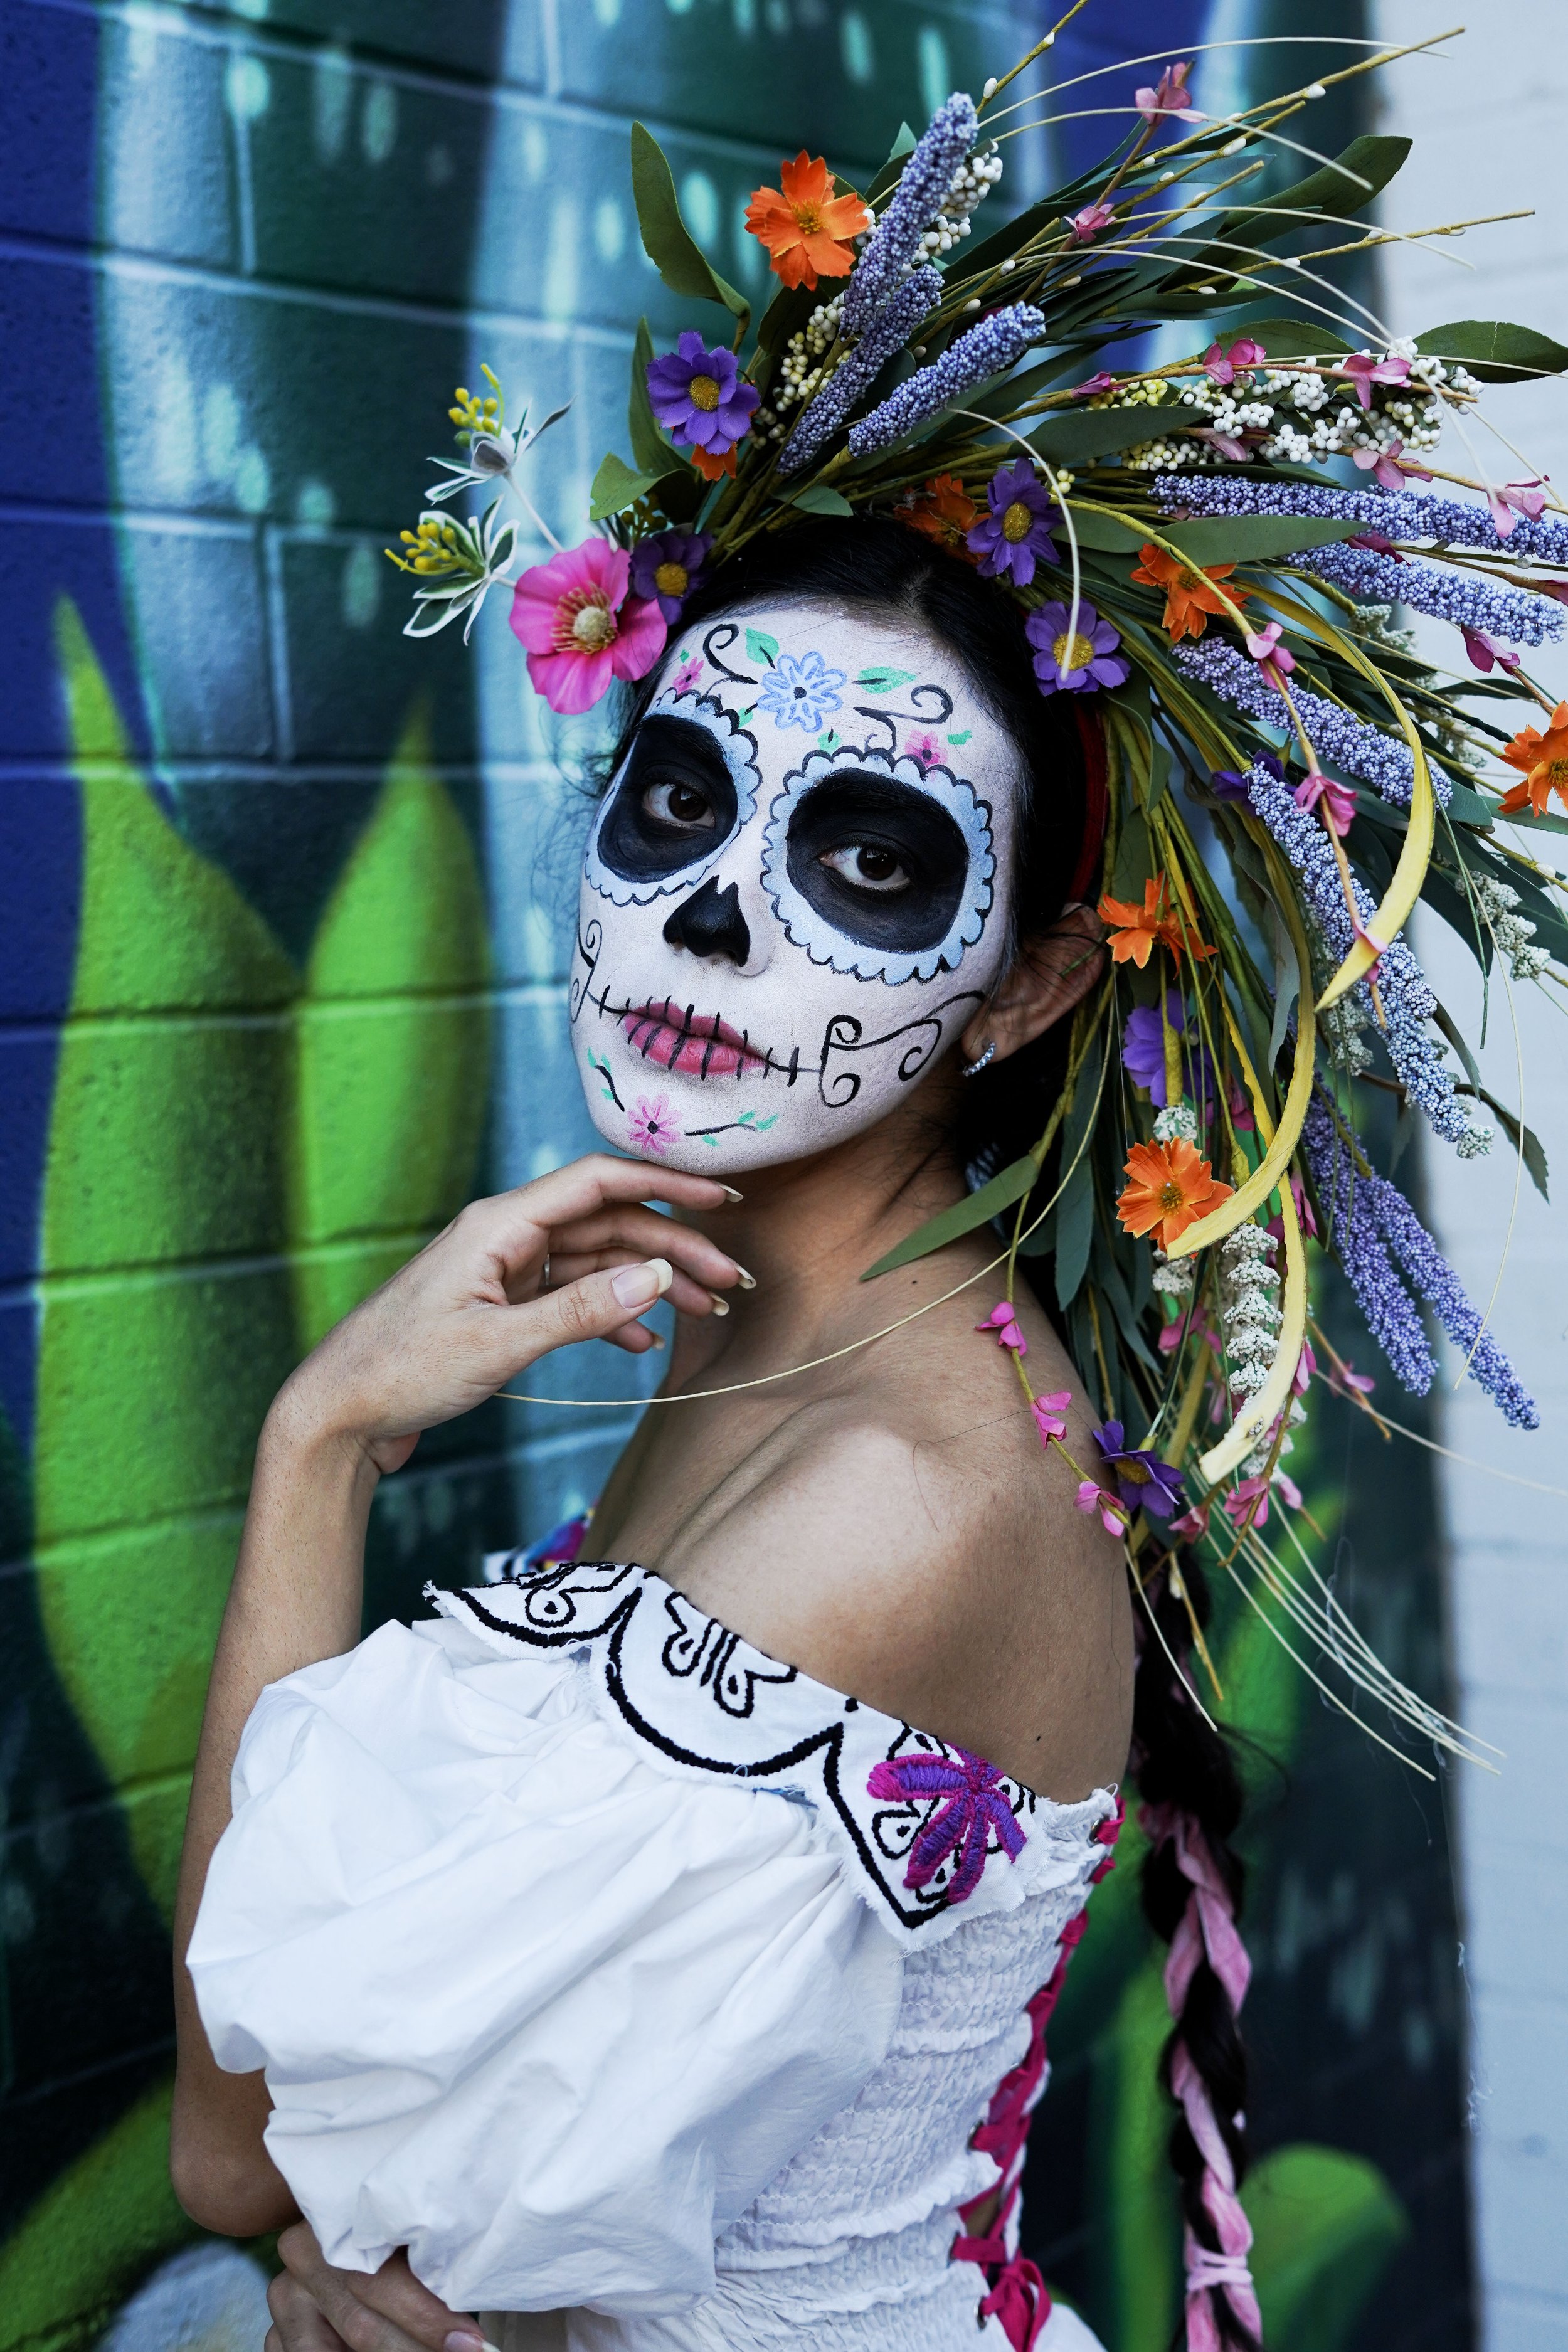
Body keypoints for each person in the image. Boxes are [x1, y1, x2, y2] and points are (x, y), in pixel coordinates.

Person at [174, 46, 1560, 2352]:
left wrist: (314, 1446)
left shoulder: (894, 1500)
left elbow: (242, 2152)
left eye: (869, 857)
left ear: (1023, 990)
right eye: (679, 798)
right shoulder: (783, 1323)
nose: (716, 918)